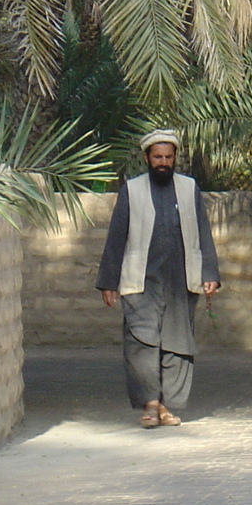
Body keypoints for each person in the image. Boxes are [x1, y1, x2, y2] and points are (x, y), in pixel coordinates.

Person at [96, 130, 221, 428]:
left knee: (177, 343)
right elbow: (117, 235)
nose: (163, 162)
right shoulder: (132, 189)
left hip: (181, 280)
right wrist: (108, 281)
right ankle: (149, 404)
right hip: (141, 281)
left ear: (175, 158)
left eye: (168, 157)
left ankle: (167, 406)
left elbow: (203, 232)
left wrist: (210, 274)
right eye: (158, 157)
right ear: (147, 158)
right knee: (142, 341)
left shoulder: (189, 188)